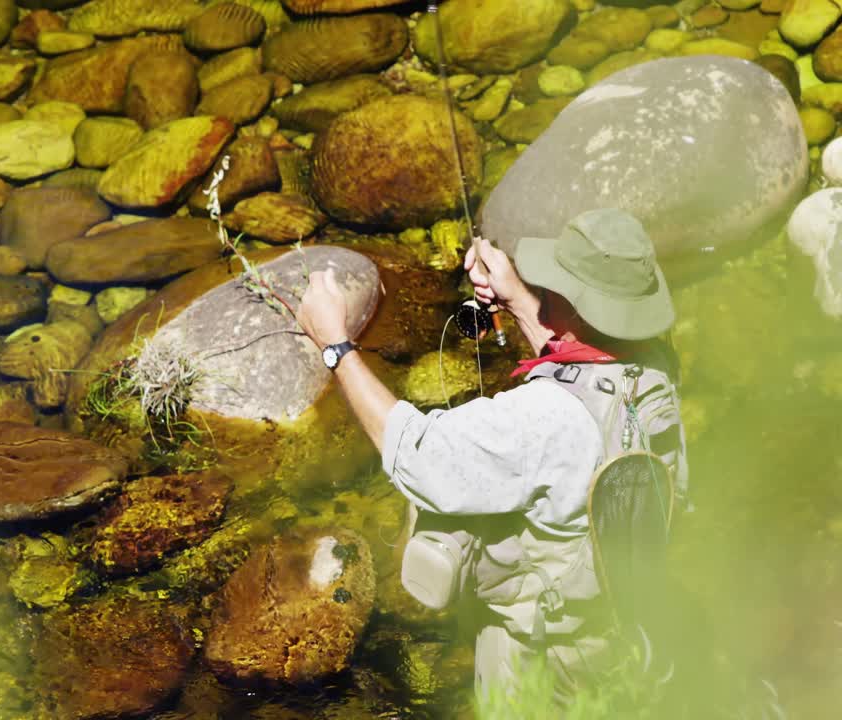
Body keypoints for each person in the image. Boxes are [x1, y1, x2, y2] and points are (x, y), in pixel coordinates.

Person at [295, 208, 688, 701]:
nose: (542, 288)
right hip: (627, 627)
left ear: (570, 300)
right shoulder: (656, 368)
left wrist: (335, 344)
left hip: (544, 658)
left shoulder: (543, 418)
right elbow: (588, 367)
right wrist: (521, 302)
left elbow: (418, 454)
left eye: (552, 286)